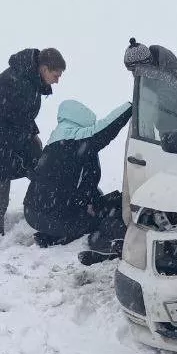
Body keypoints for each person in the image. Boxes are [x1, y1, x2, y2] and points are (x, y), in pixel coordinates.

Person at [23, 99, 132, 262]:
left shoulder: (61, 140)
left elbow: (78, 182)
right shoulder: (73, 139)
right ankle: (94, 241)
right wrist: (131, 106)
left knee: (106, 204)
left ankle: (54, 234)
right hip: (50, 216)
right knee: (104, 217)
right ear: (81, 120)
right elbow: (107, 128)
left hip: (37, 211)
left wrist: (92, 202)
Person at [0, 47, 66, 239]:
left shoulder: (31, 80)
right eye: (56, 75)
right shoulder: (17, 82)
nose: (57, 80)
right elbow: (11, 119)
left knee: (41, 169)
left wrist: (33, 136)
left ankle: (45, 210)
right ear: (44, 68)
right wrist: (26, 143)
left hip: (13, 135)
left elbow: (22, 118)